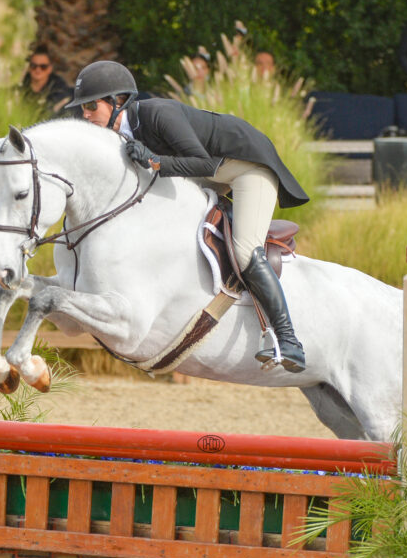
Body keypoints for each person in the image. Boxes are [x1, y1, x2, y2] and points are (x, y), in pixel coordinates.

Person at [65, 61, 309, 372]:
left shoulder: (157, 114)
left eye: (90, 105)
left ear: (118, 102)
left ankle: (288, 340)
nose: (84, 114)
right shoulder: (119, 134)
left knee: (246, 250)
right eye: (82, 107)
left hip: (247, 168)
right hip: (215, 170)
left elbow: (203, 165)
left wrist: (154, 162)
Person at [19, 44, 72, 117]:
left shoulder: (60, 91)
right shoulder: (19, 91)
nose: (38, 70)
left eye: (43, 67)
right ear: (29, 68)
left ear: (50, 68)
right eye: (34, 66)